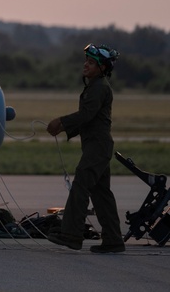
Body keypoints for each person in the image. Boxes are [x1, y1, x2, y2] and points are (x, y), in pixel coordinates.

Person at [46, 43, 125, 253]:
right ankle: (113, 240)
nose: (86, 65)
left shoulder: (99, 87)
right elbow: (88, 118)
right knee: (101, 194)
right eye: (86, 61)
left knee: (81, 185)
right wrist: (64, 126)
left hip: (97, 147)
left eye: (91, 63)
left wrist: (60, 123)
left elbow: (86, 115)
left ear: (102, 68)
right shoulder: (96, 85)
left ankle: (71, 235)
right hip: (97, 146)